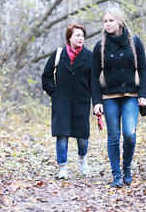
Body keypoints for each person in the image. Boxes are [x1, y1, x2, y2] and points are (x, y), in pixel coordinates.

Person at [91, 7, 146, 188]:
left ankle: (127, 168)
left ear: (120, 22)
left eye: (111, 21)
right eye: (105, 21)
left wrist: (143, 94)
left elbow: (143, 69)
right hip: (109, 97)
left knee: (130, 134)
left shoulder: (135, 42)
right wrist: (97, 102)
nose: (107, 24)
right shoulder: (100, 46)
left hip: (131, 95)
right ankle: (116, 175)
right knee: (113, 135)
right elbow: (94, 76)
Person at [42, 23, 93, 179]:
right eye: (77, 35)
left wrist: (95, 99)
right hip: (61, 102)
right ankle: (62, 167)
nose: (81, 38)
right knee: (61, 135)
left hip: (82, 101)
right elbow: (46, 76)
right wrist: (54, 92)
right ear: (69, 37)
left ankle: (83, 160)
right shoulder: (58, 54)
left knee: (82, 137)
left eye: (82, 35)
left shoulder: (89, 56)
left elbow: (95, 80)